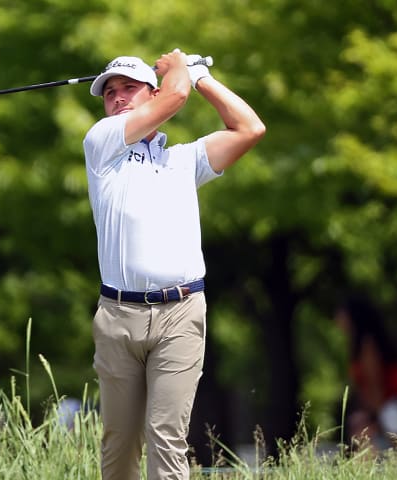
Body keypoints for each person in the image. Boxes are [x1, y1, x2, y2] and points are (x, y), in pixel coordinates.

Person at [83, 49, 265, 480]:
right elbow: (176, 97)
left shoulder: (182, 161)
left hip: (181, 313)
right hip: (117, 317)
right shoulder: (102, 143)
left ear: (153, 92)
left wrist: (200, 77)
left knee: (166, 436)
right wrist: (180, 69)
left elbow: (250, 128)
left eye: (130, 87)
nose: (119, 97)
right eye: (110, 92)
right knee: (120, 441)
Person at [335, 296, 397, 451]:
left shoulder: (367, 344)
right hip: (393, 402)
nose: (337, 320)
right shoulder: (359, 344)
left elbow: (374, 383)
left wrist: (375, 417)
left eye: (341, 315)